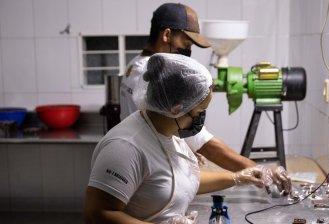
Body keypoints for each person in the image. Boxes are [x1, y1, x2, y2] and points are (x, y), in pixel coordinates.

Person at [73, 53, 275, 224]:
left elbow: (180, 180)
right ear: (176, 108)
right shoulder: (126, 146)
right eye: (199, 112)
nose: (201, 119)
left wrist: (239, 177)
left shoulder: (169, 133)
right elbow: (98, 214)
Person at [120, 2, 292, 194]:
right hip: (148, 179)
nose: (187, 52)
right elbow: (204, 143)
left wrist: (184, 146)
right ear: (167, 35)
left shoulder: (135, 65)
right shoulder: (149, 76)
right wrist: (258, 169)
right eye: (185, 45)